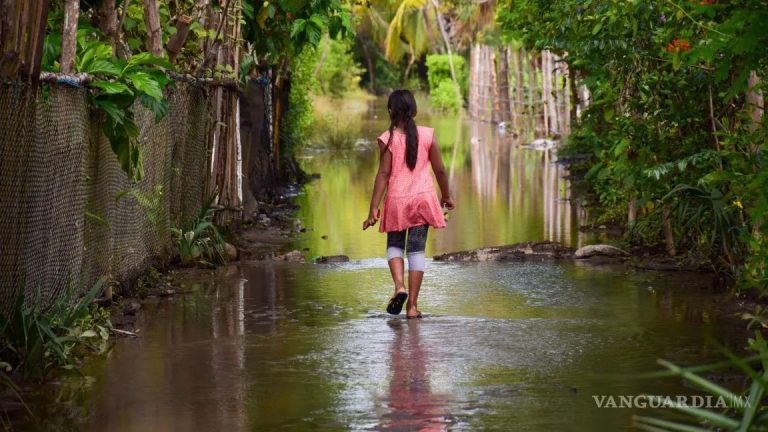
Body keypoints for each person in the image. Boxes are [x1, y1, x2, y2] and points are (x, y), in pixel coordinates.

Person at [362, 89, 455, 318]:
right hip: (422, 199)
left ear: (390, 111)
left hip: (396, 200)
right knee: (416, 250)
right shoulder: (428, 135)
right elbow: (440, 170)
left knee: (395, 244)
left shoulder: (388, 138)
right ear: (415, 110)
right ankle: (412, 307)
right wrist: (446, 196)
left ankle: (399, 287)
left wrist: (373, 207)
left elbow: (383, 174)